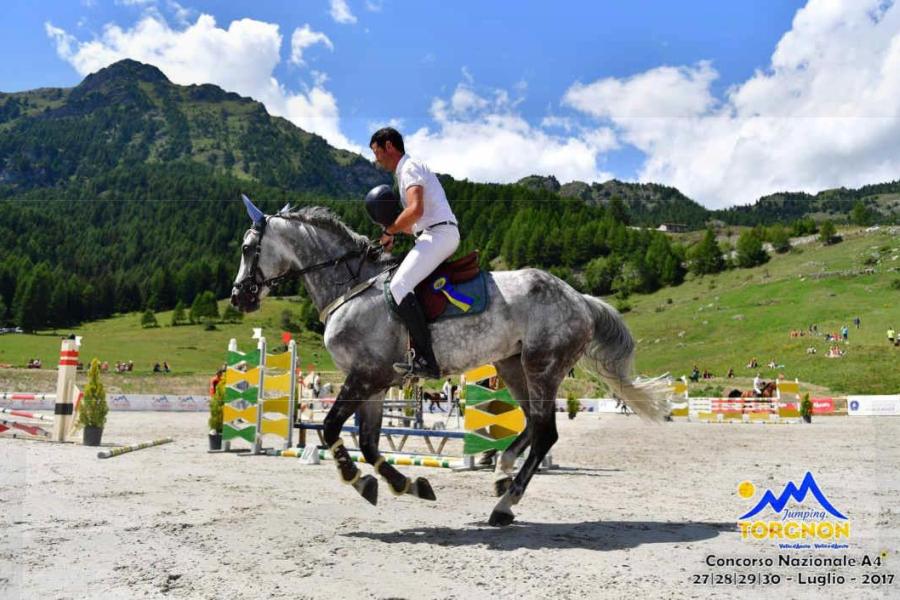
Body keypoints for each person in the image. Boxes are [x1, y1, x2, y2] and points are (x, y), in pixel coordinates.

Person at [369, 127, 460, 378]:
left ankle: (426, 359)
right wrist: (393, 233)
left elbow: (416, 210)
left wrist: (390, 230)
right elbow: (413, 224)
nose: (376, 159)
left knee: (398, 286)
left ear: (389, 146)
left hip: (439, 234)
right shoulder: (406, 170)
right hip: (433, 233)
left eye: (377, 152)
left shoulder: (408, 168)